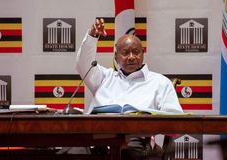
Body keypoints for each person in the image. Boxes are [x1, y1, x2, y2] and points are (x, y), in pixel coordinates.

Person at [75, 18, 183, 159]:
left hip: (135, 143)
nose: (131, 57)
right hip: (96, 142)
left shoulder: (159, 82)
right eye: (125, 53)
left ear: (142, 54)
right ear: (116, 56)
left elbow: (176, 122)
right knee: (72, 149)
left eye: (136, 52)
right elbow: (83, 63)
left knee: (127, 151)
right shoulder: (104, 78)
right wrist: (92, 36)